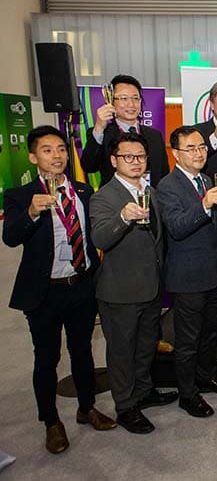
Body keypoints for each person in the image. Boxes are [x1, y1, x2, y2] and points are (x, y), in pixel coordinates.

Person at [2, 126, 116, 454]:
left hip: (81, 286)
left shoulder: (82, 190)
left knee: (82, 351)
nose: (57, 156)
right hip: (45, 292)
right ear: (33, 157)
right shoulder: (20, 195)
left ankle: (86, 407)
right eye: (48, 150)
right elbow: (10, 238)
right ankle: (51, 422)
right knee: (47, 358)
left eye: (62, 149)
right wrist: (31, 212)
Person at [90, 132, 178, 434]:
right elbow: (100, 238)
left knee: (145, 346)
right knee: (121, 352)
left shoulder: (150, 191)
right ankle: (126, 406)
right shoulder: (103, 196)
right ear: (114, 161)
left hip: (151, 287)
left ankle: (143, 391)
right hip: (120, 291)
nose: (136, 162)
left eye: (140, 156)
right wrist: (123, 218)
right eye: (128, 156)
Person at [156, 126, 217, 419]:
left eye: (202, 147)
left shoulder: (206, 180)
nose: (199, 153)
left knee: (211, 332)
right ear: (176, 154)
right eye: (190, 148)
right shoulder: (167, 186)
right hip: (188, 276)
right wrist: (204, 205)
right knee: (188, 339)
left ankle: (205, 376)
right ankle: (187, 394)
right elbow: (177, 228)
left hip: (214, 272)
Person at [81, 74, 169, 187]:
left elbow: (163, 175)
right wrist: (99, 128)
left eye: (135, 98)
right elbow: (89, 166)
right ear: (111, 102)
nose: (131, 104)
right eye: (124, 98)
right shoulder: (102, 134)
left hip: (150, 196)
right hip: (115, 197)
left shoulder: (154, 136)